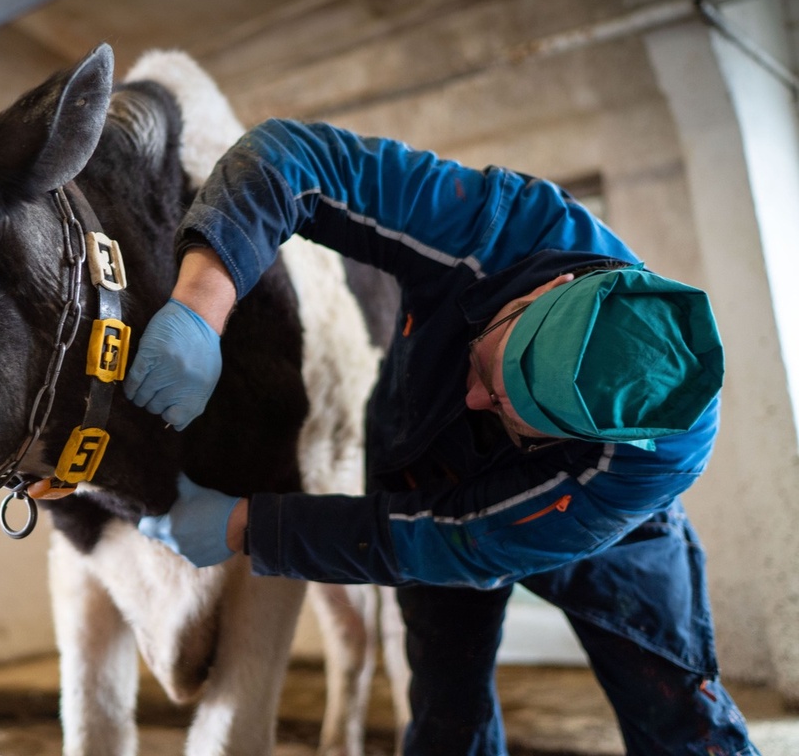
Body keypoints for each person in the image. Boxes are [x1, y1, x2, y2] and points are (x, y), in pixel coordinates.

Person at [124, 118, 759, 755]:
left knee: (677, 708)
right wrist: (201, 304)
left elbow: (457, 539)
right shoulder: (499, 229)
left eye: (511, 412)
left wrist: (246, 527)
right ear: (549, 289)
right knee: (447, 716)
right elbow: (291, 155)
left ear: (590, 436)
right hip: (419, 461)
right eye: (488, 363)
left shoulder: (646, 458)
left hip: (601, 533)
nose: (475, 397)